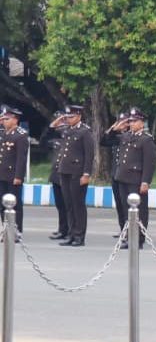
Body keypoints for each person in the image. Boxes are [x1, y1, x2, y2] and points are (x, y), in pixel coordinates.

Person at [49, 105, 94, 247]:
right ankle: (71, 234)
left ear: (79, 116)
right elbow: (51, 131)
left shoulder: (85, 131)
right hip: (65, 171)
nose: (68, 119)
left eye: (71, 117)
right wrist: (59, 120)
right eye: (67, 117)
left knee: (77, 205)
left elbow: (89, 155)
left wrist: (86, 173)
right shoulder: (68, 130)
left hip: (77, 172)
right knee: (68, 204)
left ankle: (79, 236)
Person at [105, 108, 156, 229]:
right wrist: (114, 129)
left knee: (139, 210)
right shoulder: (125, 136)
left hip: (136, 180)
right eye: (130, 121)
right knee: (125, 208)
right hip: (122, 178)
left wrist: (145, 181)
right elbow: (106, 140)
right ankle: (129, 235)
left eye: (134, 121)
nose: (131, 124)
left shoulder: (146, 139)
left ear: (141, 122)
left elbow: (149, 163)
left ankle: (139, 237)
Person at [39, 116, 70, 241]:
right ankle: (62, 229)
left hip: (67, 175)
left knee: (68, 205)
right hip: (56, 176)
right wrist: (52, 126)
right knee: (60, 205)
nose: (60, 126)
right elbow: (42, 142)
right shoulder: (55, 139)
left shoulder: (71, 137)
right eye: (59, 124)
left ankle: (70, 230)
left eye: (63, 123)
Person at [0, 106, 29, 231]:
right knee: (2, 205)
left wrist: (18, 176)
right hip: (2, 175)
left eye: (6, 119)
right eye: (3, 119)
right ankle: (6, 230)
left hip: (13, 176)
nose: (3, 121)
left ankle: (16, 231)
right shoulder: (3, 134)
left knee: (15, 205)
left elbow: (21, 159)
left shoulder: (20, 135)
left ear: (15, 120)